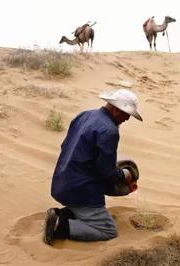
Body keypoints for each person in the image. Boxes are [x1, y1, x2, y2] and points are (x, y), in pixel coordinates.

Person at [44, 88, 143, 245]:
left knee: (87, 209)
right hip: (81, 191)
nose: (127, 119)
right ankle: (60, 226)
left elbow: (66, 146)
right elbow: (107, 172)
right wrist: (125, 175)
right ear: (117, 109)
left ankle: (63, 214)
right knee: (108, 230)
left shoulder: (85, 115)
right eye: (126, 114)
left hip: (61, 183)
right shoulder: (110, 131)